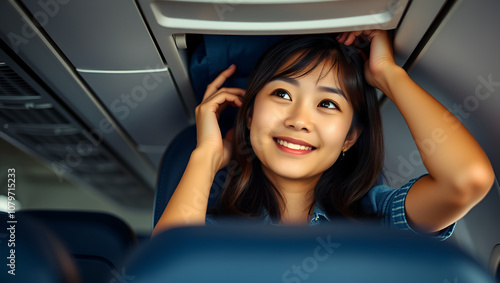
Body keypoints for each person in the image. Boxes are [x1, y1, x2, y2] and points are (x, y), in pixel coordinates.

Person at [152, 30, 494, 240]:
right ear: (251, 114)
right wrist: (207, 155)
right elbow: (166, 269)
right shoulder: (217, 232)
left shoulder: (378, 220)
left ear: (350, 137)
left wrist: (388, 75)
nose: (300, 120)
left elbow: (467, 180)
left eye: (328, 103)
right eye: (283, 95)